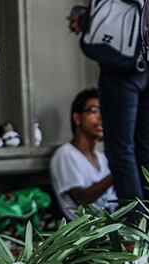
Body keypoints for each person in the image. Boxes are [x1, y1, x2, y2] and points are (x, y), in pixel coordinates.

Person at [68, 0, 149, 206]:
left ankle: (133, 225)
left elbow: (104, 14)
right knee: (146, 148)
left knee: (120, 149)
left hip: (120, 66)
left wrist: (82, 19)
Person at [49, 88, 117, 219]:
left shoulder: (102, 158)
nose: (101, 117)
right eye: (94, 111)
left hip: (110, 228)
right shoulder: (66, 154)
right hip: (85, 234)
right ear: (77, 118)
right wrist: (118, 172)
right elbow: (81, 198)